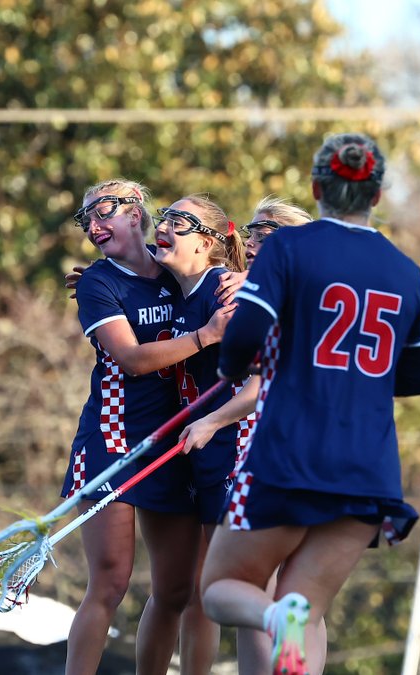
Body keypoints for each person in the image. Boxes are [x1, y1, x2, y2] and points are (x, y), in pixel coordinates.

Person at [201, 133, 420, 675]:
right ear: (377, 195)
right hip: (366, 469)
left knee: (220, 589)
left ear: (315, 189)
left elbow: (243, 338)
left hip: (289, 457)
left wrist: (233, 368)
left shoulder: (288, 248)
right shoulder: (403, 269)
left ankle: (272, 616)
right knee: (303, 612)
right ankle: (283, 618)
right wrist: (357, 384)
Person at [61, 179, 232, 675]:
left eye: (102, 212)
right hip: (113, 441)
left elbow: (214, 267)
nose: (92, 225)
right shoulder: (98, 282)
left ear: (135, 214)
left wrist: (244, 281)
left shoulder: (175, 269)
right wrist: (205, 336)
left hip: (171, 447)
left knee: (177, 590)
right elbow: (133, 359)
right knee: (111, 582)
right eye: (85, 218)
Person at [176, 195, 323, 674]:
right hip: (313, 454)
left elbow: (263, 389)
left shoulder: (280, 296)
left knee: (249, 587)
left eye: (267, 233)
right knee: (297, 592)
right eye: (252, 231)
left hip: (268, 451)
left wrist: (211, 421)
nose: (253, 242)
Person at [147, 193, 246, 674]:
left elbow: (265, 380)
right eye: (164, 216)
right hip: (199, 451)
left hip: (233, 447)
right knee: (195, 591)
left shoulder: (224, 291)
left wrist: (215, 421)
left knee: (238, 587)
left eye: (179, 221)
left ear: (206, 243)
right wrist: (99, 279)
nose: (164, 226)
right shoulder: (175, 288)